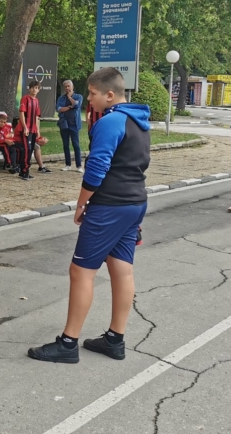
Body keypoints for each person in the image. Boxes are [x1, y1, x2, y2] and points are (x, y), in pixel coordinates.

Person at [28, 67, 151, 364]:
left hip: (109, 206)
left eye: (93, 94)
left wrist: (82, 204)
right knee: (122, 270)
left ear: (109, 95)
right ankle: (115, 339)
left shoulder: (110, 122)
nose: (90, 99)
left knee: (81, 271)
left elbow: (96, 169)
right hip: (134, 202)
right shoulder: (140, 122)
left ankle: (68, 343)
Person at [17, 80, 49, 180]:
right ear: (29, 89)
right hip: (26, 129)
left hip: (33, 130)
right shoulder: (25, 99)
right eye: (32, 88)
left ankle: (23, 171)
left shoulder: (36, 101)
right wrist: (25, 127)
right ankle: (25, 171)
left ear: (38, 90)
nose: (34, 90)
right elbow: (21, 113)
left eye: (36, 88)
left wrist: (38, 130)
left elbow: (37, 117)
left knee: (30, 150)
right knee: (27, 149)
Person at [56, 79, 84, 173]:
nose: (67, 88)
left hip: (74, 124)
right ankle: (68, 165)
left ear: (72, 87)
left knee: (76, 145)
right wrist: (69, 107)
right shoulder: (61, 98)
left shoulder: (78, 96)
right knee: (65, 145)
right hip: (64, 124)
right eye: (66, 87)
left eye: (69, 86)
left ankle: (79, 166)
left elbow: (77, 105)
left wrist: (70, 97)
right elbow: (59, 109)